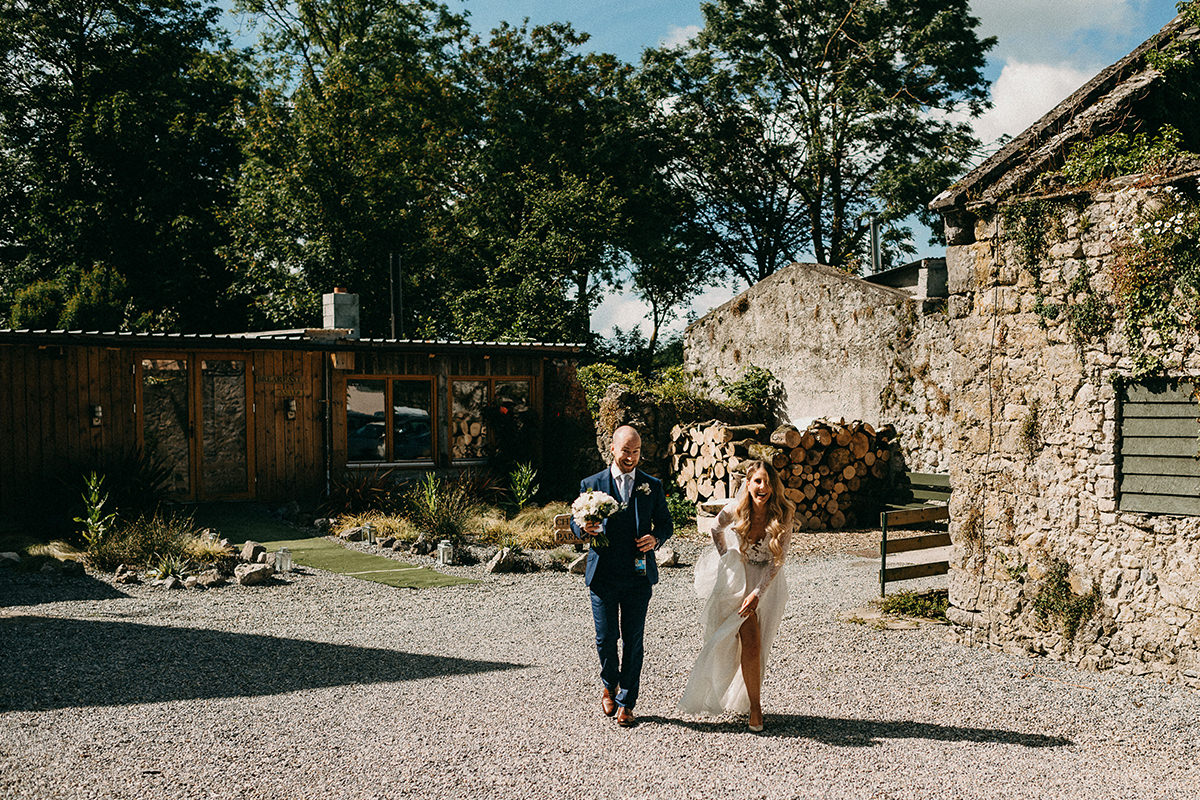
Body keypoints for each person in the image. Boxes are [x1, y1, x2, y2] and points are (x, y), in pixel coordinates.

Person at [678, 460, 794, 732]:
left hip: (766, 584)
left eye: (767, 482)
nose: (762, 487)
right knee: (742, 640)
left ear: (774, 486)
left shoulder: (783, 514)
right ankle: (753, 706)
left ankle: (750, 702)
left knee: (756, 645)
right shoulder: (736, 509)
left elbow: (778, 561)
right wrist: (726, 559)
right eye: (757, 481)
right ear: (749, 483)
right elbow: (715, 529)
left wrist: (757, 593)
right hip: (736, 579)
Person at [571, 425, 674, 728]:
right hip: (603, 574)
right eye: (626, 450)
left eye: (636, 451)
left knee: (633, 639)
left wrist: (655, 538)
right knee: (605, 639)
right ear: (613, 449)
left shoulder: (650, 485)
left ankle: (627, 702)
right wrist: (584, 530)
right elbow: (577, 524)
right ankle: (608, 685)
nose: (631, 457)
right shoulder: (592, 484)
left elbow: (666, 524)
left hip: (638, 576)